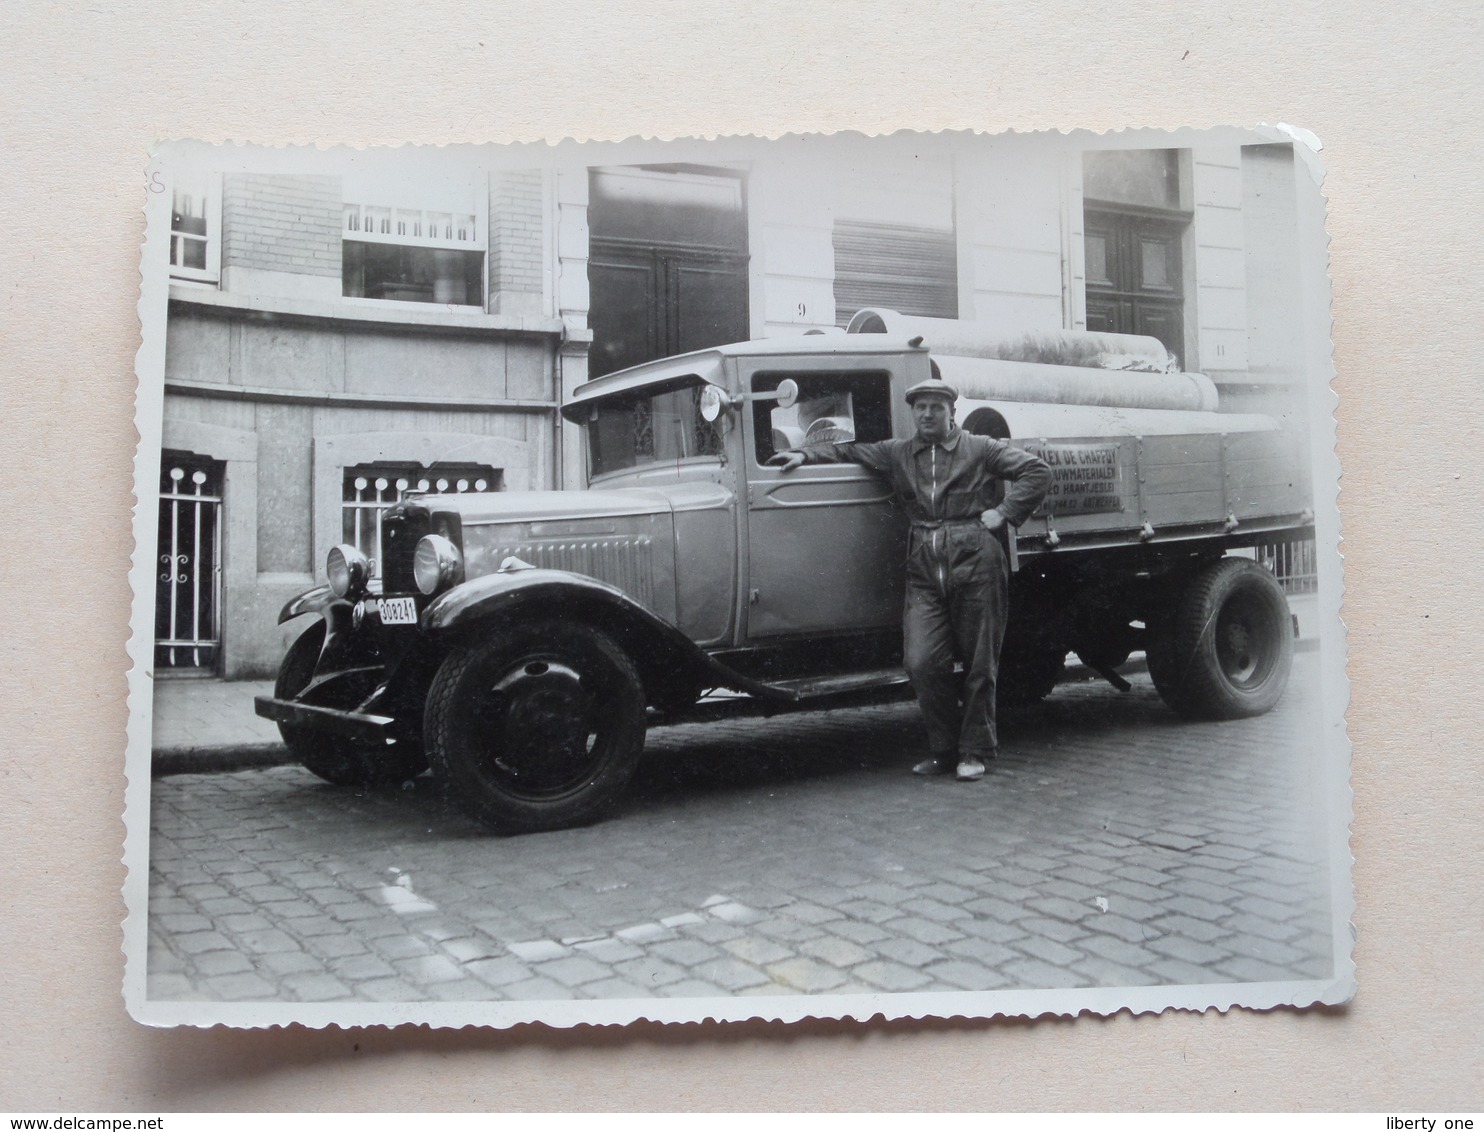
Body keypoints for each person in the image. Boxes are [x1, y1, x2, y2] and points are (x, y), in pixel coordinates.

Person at [769, 373, 1051, 781]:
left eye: (937, 407)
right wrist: (806, 457)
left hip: (975, 560)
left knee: (979, 663)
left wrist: (1005, 514)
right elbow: (851, 450)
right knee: (921, 662)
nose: (928, 414)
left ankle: (974, 751)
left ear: (952, 412)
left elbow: (1036, 472)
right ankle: (943, 749)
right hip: (923, 565)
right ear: (913, 413)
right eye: (920, 407)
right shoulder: (898, 453)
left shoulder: (978, 448)